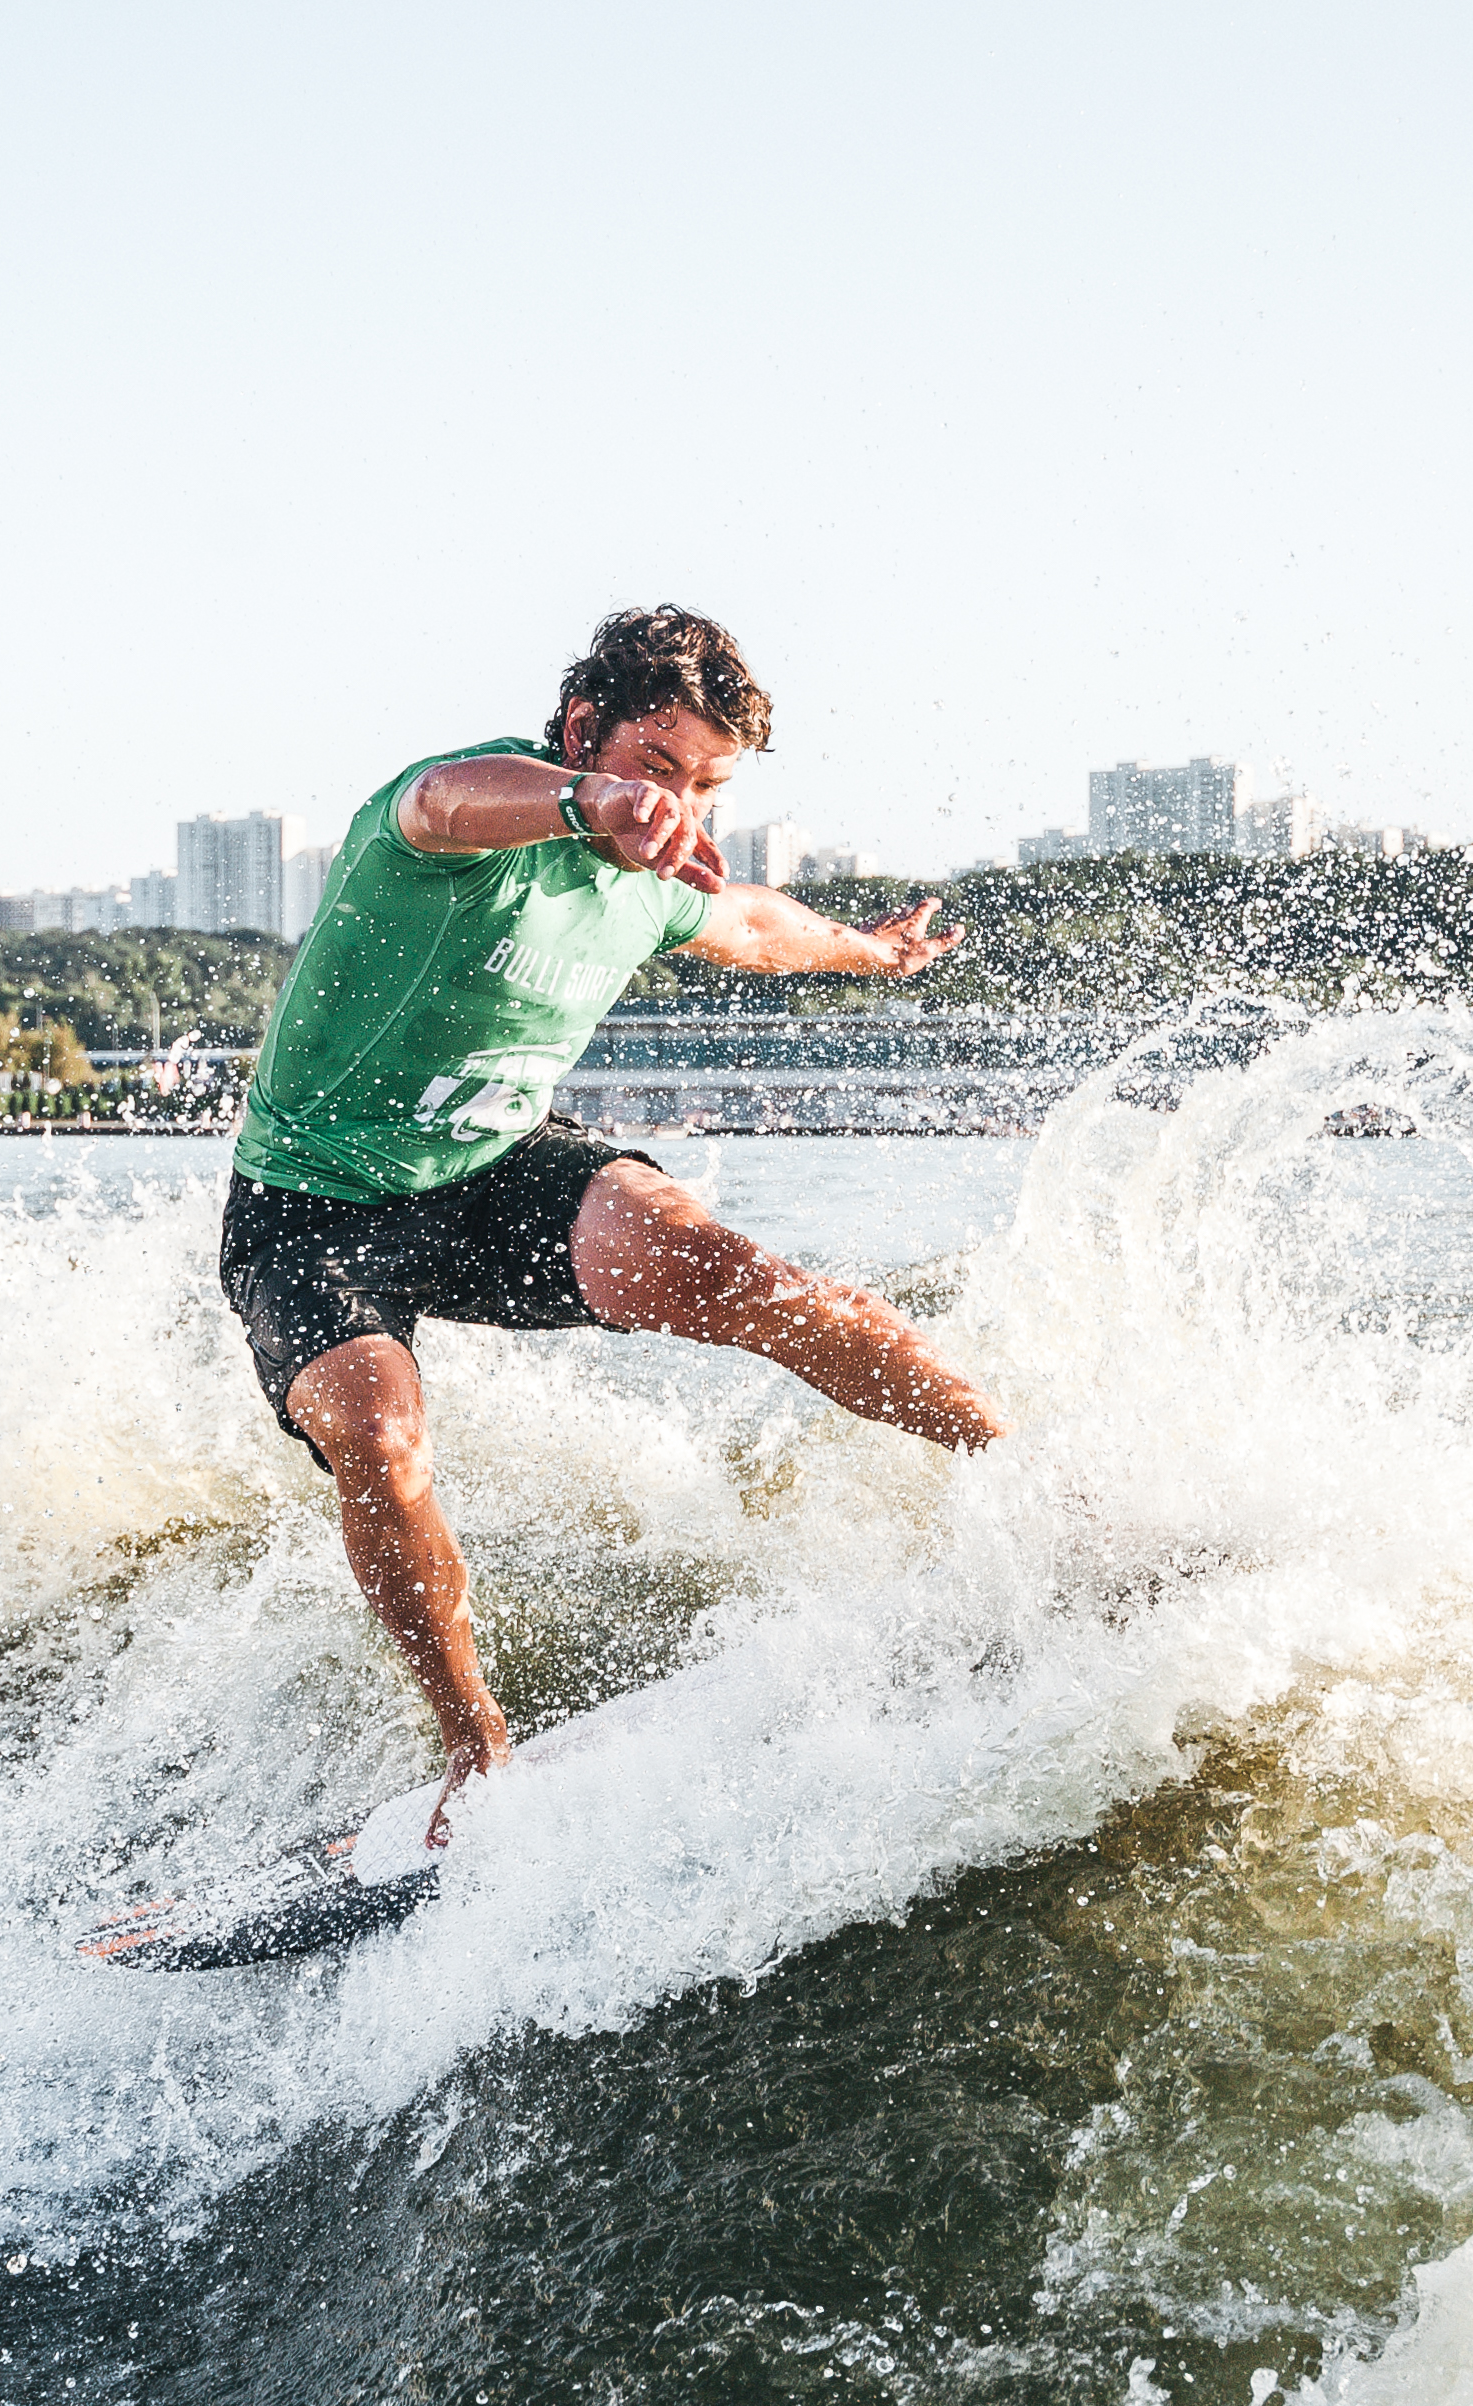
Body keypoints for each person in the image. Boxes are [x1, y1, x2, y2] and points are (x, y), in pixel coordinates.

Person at [224, 604, 1007, 1828]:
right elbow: (443, 797)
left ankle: (1035, 1484)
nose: (680, 806)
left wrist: (871, 952)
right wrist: (593, 807)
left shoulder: (653, 881)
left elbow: (753, 924)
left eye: (706, 784)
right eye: (657, 766)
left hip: (494, 1172)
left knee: (739, 1274)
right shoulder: (452, 821)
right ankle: (476, 1757)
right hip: (314, 1207)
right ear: (584, 728)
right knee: (377, 1444)